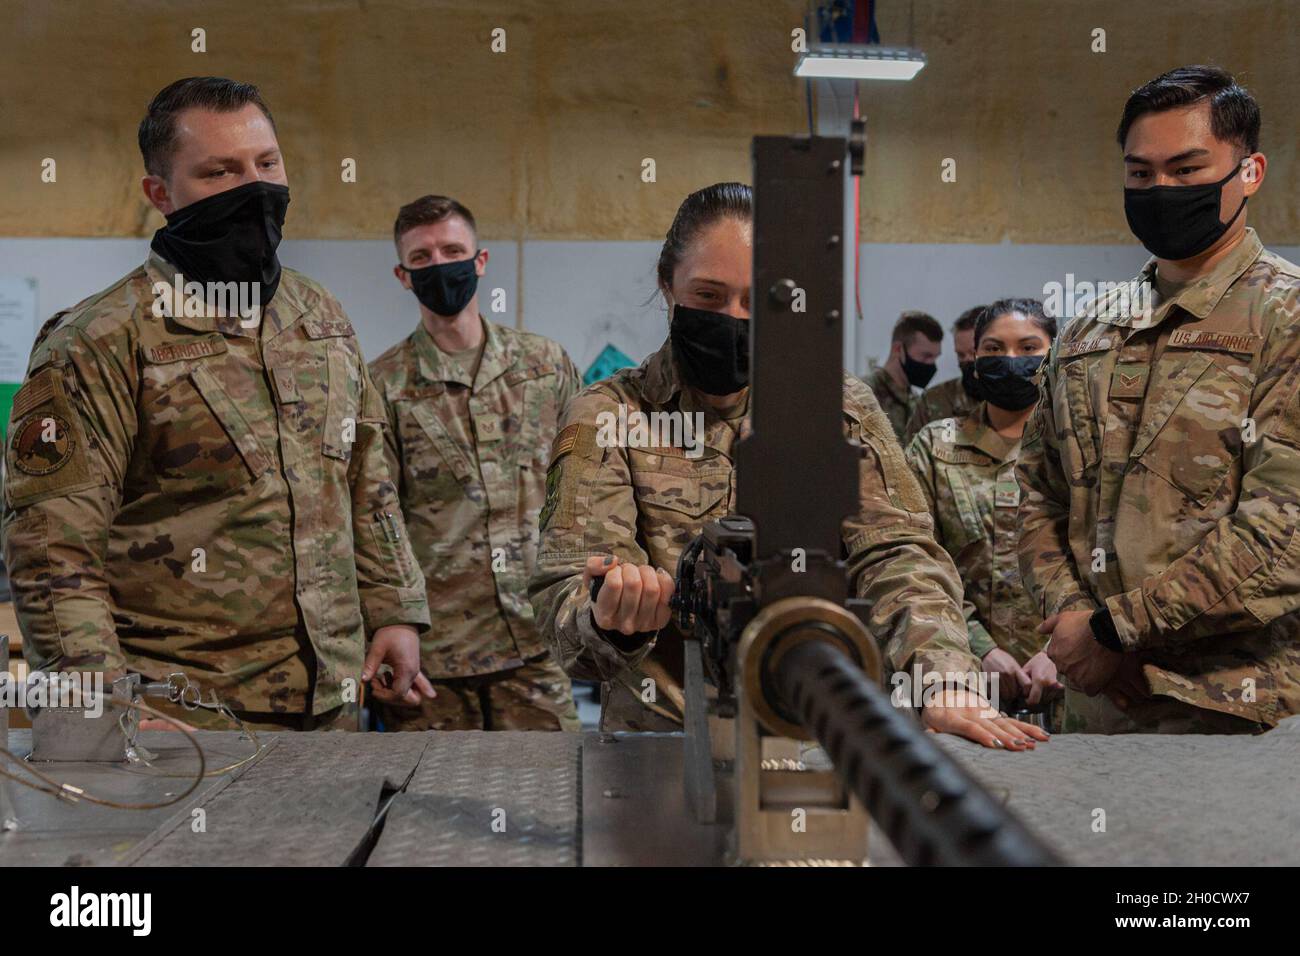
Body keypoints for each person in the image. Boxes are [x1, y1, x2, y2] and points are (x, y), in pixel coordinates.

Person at [529, 182, 1048, 750]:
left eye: (758, 302)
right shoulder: (609, 415)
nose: (734, 318)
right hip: (663, 746)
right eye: (708, 296)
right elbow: (567, 615)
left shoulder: (836, 407)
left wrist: (943, 676)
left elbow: (898, 554)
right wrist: (611, 620)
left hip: (818, 739)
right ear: (667, 285)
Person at [1, 77, 433, 731]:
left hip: (334, 703)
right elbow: (51, 547)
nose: (253, 189)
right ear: (160, 194)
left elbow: (367, 482)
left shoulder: (319, 317)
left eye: (266, 164)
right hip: (182, 718)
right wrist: (102, 707)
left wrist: (396, 609)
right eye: (218, 172)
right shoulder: (101, 340)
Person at [1018, 65, 1300, 734]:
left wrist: (1116, 630)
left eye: (1187, 169)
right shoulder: (1089, 330)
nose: (1161, 189)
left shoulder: (1284, 320)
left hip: (1232, 717)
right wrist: (1074, 627)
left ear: (1249, 172)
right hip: (1090, 704)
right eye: (1141, 174)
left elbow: (1284, 531)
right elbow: (1035, 493)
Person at [368, 195, 582, 731]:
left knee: (559, 798)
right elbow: (374, 517)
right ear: (403, 274)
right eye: (422, 258)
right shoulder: (383, 385)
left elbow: (584, 485)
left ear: (480, 261)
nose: (440, 266)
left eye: (453, 250)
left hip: (537, 640)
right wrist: (393, 622)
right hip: (436, 654)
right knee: (423, 806)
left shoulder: (544, 367)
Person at [906, 299, 1062, 727]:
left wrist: (1058, 653)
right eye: (993, 350)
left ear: (1054, 354)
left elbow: (1109, 563)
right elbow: (917, 564)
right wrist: (981, 648)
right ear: (973, 359)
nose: (1010, 361)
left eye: (1028, 348)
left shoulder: (1081, 448)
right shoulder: (935, 449)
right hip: (959, 680)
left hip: (1072, 685)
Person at [903, 305, 985, 444]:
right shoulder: (933, 401)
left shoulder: (1018, 398)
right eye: (961, 355)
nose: (967, 360)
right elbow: (910, 458)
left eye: (973, 353)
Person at [864, 311, 943, 441]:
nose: (931, 364)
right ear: (898, 349)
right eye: (926, 356)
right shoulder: (862, 395)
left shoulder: (918, 403)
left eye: (935, 357)